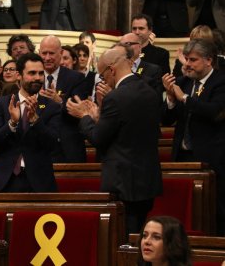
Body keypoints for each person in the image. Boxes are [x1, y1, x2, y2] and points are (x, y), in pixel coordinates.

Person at [67, 45, 162, 236]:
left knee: (124, 240)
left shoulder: (115, 98)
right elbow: (125, 128)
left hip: (123, 183)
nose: (104, 80)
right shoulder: (150, 91)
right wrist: (98, 119)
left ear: (111, 69)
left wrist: (84, 116)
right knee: (139, 238)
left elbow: (97, 139)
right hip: (147, 180)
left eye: (102, 75)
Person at [161, 39, 225, 236]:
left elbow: (214, 112)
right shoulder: (182, 82)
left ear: (208, 60)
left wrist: (184, 98)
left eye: (193, 60)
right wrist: (171, 100)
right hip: (183, 156)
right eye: (186, 59)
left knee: (215, 211)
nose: (186, 64)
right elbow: (166, 119)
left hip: (212, 158)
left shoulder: (221, 81)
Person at [0, 53, 61, 192]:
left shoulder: (52, 107)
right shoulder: (2, 104)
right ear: (19, 75)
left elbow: (53, 144)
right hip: (6, 181)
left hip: (40, 183)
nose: (37, 78)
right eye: (32, 73)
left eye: (41, 73)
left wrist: (35, 120)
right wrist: (12, 123)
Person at [38, 35, 86, 163]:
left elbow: (80, 112)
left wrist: (59, 101)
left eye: (51, 53)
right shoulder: (32, 77)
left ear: (60, 53)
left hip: (67, 148)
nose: (47, 58)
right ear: (39, 53)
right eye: (44, 53)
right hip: (38, 147)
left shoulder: (76, 78)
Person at [119, 33, 164, 101]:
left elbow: (156, 99)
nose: (124, 48)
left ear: (139, 47)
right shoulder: (115, 68)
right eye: (121, 46)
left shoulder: (154, 70)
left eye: (128, 44)